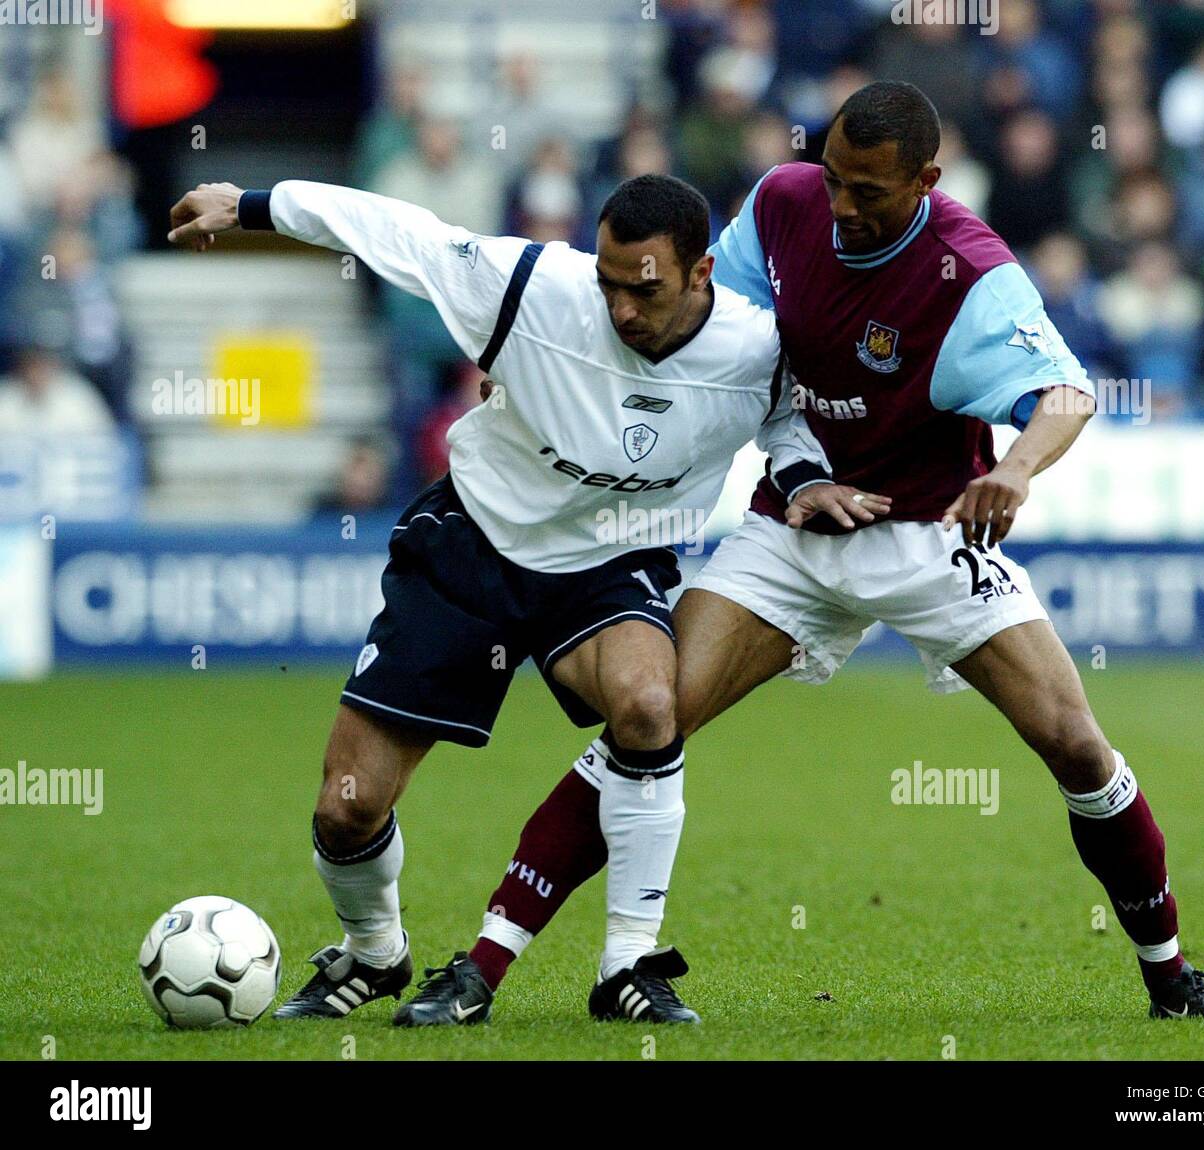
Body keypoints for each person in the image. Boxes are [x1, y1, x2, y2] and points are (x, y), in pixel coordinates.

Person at [441, 81, 1204, 1024]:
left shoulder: (971, 274)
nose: (843, 208)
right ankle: (484, 967)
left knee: (1076, 743)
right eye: (834, 179)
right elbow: (720, 332)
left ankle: (1171, 978)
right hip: (793, 530)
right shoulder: (784, 205)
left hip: (927, 533)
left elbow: (1065, 394)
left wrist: (1018, 472)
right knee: (647, 719)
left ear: (927, 180)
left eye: (869, 191)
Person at [166, 172, 884, 1026]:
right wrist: (250, 205)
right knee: (348, 805)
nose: (621, 307)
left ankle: (628, 964)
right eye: (609, 282)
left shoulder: (755, 348)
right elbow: (399, 230)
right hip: (475, 542)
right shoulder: (534, 288)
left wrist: (801, 478)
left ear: (701, 275)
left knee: (651, 707)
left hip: (611, 559)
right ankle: (373, 953)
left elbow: (788, 420)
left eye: (643, 287)